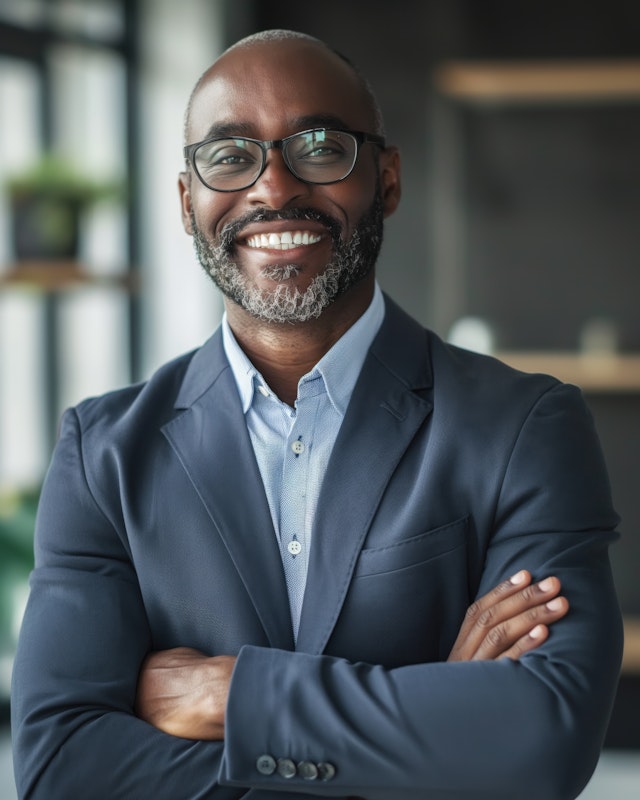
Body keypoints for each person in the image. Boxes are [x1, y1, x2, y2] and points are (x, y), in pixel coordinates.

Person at [11, 29, 622, 800]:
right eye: (230, 157)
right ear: (185, 199)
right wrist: (432, 726)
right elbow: (61, 769)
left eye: (320, 146)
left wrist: (230, 696)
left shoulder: (525, 427)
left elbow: (540, 743)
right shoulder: (101, 456)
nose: (273, 189)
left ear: (387, 178)